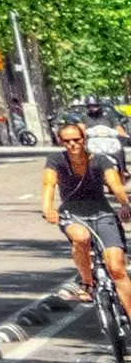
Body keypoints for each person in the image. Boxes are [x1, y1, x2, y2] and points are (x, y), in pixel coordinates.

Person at [49, 110, 122, 346]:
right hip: (72, 214)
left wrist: (125, 203)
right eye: (67, 141)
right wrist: (47, 208)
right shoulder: (56, 161)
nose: (73, 145)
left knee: (117, 268)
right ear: (61, 142)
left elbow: (114, 184)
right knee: (80, 239)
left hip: (102, 213)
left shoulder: (99, 160)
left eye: (77, 140)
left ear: (84, 139)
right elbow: (48, 185)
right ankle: (87, 283)